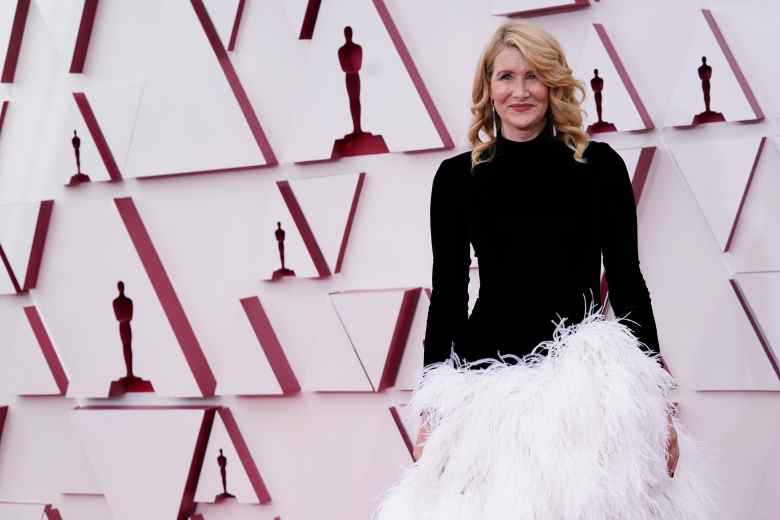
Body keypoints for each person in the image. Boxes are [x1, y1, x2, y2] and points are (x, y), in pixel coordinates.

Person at [373, 20, 710, 520]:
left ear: (553, 84)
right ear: (488, 88)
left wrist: (659, 403)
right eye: (506, 76)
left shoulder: (600, 168)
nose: (520, 91)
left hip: (584, 396)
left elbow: (628, 284)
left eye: (533, 76)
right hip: (484, 396)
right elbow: (446, 297)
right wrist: (431, 409)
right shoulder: (456, 180)